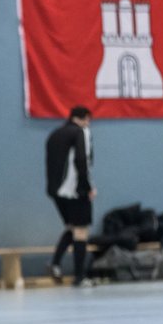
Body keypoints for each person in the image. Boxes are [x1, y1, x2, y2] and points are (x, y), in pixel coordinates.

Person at [44, 106, 95, 287]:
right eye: (88, 119)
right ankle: (79, 276)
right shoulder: (81, 132)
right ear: (80, 119)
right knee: (81, 231)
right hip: (74, 189)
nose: (89, 124)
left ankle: (55, 263)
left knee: (72, 226)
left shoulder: (54, 134)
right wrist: (87, 187)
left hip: (55, 191)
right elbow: (82, 160)